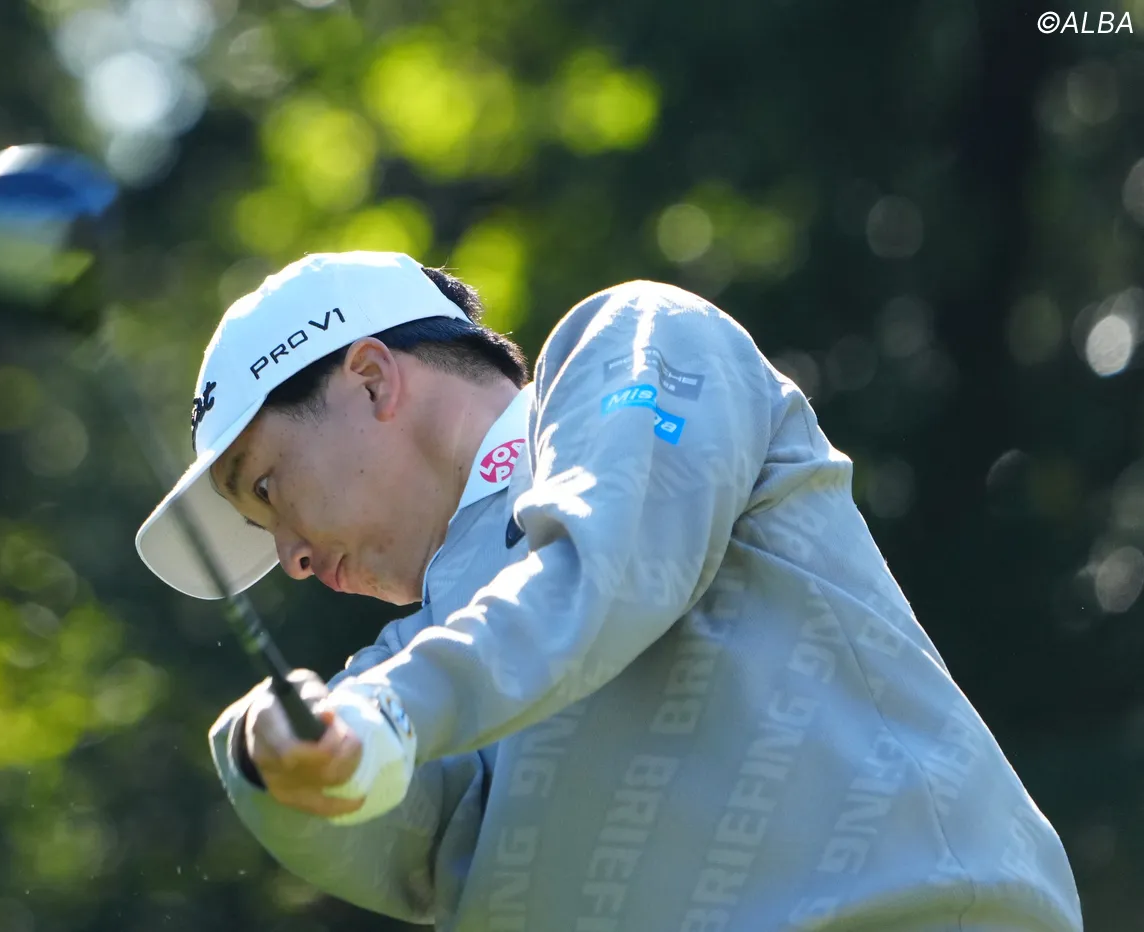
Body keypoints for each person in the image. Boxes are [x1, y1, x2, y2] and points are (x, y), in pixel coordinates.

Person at [134, 251, 1083, 931]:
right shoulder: (425, 656)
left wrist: (386, 709)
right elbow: (400, 830)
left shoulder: (631, 341)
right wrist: (274, 756)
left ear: (374, 381)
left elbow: (608, 569)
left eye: (270, 488)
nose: (291, 557)